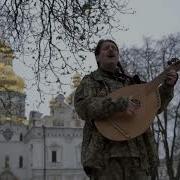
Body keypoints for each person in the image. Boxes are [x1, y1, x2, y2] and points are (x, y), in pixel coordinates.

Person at [74, 39, 178, 180]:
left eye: (114, 48)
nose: (111, 50)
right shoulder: (90, 81)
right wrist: (119, 104)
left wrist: (167, 87)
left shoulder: (131, 83)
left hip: (138, 157)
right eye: (106, 48)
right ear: (98, 57)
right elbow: (83, 107)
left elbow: (154, 108)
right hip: (105, 159)